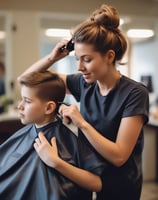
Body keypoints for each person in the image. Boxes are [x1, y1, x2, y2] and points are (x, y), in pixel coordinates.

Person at [19, 4, 149, 200]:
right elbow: (27, 81)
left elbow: (119, 156)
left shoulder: (134, 93)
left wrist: (81, 123)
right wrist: (52, 58)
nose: (80, 67)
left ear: (109, 56)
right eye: (78, 59)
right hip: (88, 175)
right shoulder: (84, 84)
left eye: (86, 59)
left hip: (121, 186)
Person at [0, 70, 106, 200]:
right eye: (22, 100)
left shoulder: (67, 141)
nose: (20, 106)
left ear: (49, 108)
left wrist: (56, 162)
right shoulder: (24, 133)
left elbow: (97, 184)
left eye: (27, 101)